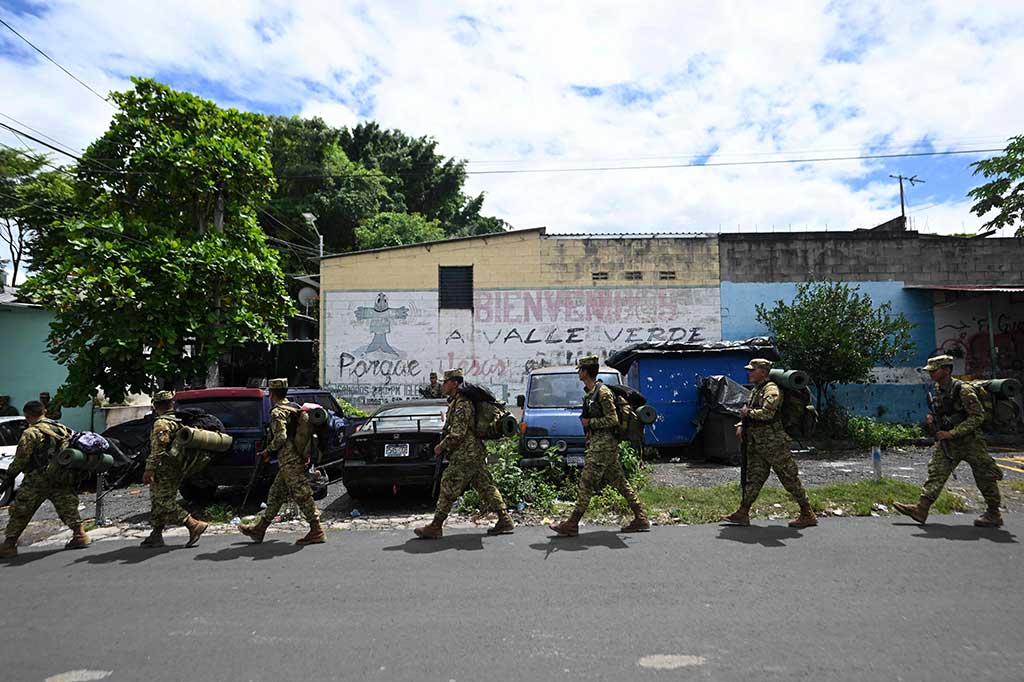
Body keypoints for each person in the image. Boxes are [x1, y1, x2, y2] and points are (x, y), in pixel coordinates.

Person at [894, 355, 1003, 527]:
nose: (930, 373)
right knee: (936, 471)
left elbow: (977, 417)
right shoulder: (939, 389)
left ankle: (994, 513)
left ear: (946, 370)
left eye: (934, 370)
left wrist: (952, 433)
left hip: (971, 442)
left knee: (985, 476)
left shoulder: (964, 390)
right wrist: (933, 421)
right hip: (950, 443)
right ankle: (921, 509)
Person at [548, 355, 650, 536]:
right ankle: (640, 517)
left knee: (587, 482)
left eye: (580, 370)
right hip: (600, 444)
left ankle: (572, 523)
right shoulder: (591, 393)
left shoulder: (603, 392)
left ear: (585, 372)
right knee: (620, 482)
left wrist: (591, 423)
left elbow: (613, 419)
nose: (578, 373)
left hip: (603, 446)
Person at [414, 368, 515, 539]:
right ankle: (504, 519)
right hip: (473, 453)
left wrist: (441, 446)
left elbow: (458, 433)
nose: (443, 385)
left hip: (465, 454)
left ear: (454, 383)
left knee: (448, 484)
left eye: (445, 382)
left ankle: (436, 526)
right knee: (485, 486)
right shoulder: (457, 401)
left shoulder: (462, 403)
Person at [721, 358, 817, 529]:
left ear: (763, 372)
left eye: (753, 370)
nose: (749, 373)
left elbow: (767, 414)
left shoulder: (771, 390)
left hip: (773, 443)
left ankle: (807, 513)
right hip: (757, 442)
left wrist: (747, 413)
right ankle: (743, 513)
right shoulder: (758, 389)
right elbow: (750, 410)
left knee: (788, 477)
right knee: (754, 478)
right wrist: (741, 424)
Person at [239, 378, 325, 545]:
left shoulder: (278, 412)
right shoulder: (294, 407)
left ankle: (317, 530)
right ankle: (260, 529)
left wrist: (268, 450)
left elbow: (281, 437)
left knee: (301, 493)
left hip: (289, 460)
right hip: (295, 458)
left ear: (271, 394)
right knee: (276, 493)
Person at [0, 401, 89, 558]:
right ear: (44, 412)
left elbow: (20, 460)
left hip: (37, 479)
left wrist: (8, 478)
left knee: (21, 509)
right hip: (60, 476)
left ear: (27, 416)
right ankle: (80, 535)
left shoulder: (31, 433)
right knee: (67, 505)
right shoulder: (60, 428)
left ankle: (9, 544)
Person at [140, 390, 209, 548]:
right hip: (175, 466)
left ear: (155, 406)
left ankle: (193, 524)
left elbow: (158, 449)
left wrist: (149, 469)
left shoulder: (162, 423)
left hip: (164, 468)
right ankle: (156, 534)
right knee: (156, 500)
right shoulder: (177, 420)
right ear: (172, 403)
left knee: (163, 501)